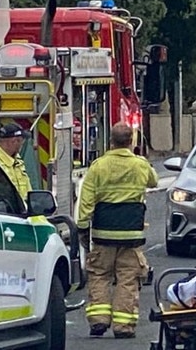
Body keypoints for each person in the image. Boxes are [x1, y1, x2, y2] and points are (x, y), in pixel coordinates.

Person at [78, 122, 158, 339]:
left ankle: (99, 321)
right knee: (128, 278)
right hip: (131, 235)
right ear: (131, 141)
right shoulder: (140, 165)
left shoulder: (98, 166)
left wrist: (83, 227)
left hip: (103, 234)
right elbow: (154, 181)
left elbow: (86, 200)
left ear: (110, 141)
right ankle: (123, 326)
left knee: (99, 274)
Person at [0, 123, 32, 201]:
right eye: (21, 141)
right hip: (5, 211)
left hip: (23, 211)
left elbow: (28, 191)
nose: (22, 144)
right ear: (14, 141)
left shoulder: (17, 160)